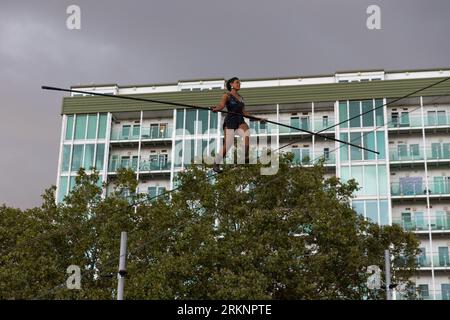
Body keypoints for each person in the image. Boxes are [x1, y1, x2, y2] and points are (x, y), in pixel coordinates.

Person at [211, 77, 266, 173]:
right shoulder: (226, 95)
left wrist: (258, 119)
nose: (239, 84)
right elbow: (221, 106)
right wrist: (216, 108)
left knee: (246, 132)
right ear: (231, 84)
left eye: (239, 83)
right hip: (230, 120)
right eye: (237, 83)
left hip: (240, 119)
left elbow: (244, 113)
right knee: (228, 143)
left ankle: (245, 156)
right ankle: (216, 163)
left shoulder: (241, 98)